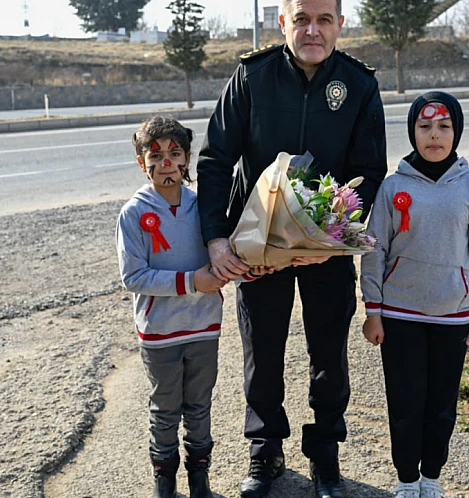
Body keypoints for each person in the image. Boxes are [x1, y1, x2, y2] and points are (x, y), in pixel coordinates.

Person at [195, 0, 388, 496]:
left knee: (329, 353)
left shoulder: (360, 85)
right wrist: (217, 240)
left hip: (326, 250)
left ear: (340, 25)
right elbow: (216, 158)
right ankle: (265, 454)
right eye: (301, 18)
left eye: (324, 19)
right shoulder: (252, 78)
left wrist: (333, 241)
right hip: (258, 247)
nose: (312, 29)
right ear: (282, 22)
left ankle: (326, 457)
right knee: (262, 349)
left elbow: (370, 173)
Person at [117, 117, 264, 498]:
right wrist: (190, 282)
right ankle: (164, 486)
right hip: (160, 334)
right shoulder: (134, 213)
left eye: (175, 153)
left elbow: (226, 258)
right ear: (141, 162)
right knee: (165, 410)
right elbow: (133, 277)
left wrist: (254, 267)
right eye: (156, 154)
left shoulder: (205, 208)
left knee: (199, 407)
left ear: (187, 159)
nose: (166, 162)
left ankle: (201, 483)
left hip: (203, 328)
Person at [359, 92, 469, 498]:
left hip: (453, 314)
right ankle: (405, 479)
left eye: (443, 126)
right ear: (412, 131)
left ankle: (431, 477)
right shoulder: (392, 187)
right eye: (424, 126)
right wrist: (373, 309)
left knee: (441, 406)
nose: (434, 135)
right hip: (400, 314)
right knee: (405, 403)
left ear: (456, 130)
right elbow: (374, 248)